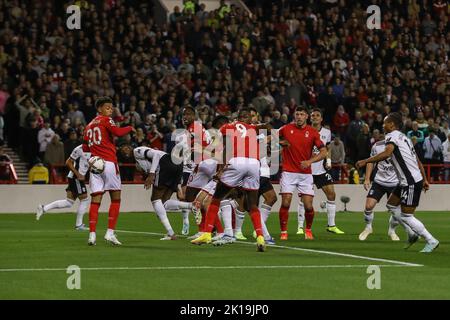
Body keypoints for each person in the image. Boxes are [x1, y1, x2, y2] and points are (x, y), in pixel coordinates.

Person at [356, 112, 439, 253]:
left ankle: (431, 240)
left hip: (410, 181)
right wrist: (425, 178)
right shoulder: (404, 137)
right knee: (391, 205)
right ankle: (412, 234)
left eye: (385, 123)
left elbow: (387, 153)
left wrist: (366, 161)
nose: (383, 125)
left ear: (392, 124)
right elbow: (417, 160)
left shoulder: (392, 136)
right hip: (406, 181)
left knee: (407, 215)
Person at [190, 108, 268, 252]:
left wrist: (220, 170)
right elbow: (267, 131)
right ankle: (260, 237)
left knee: (216, 198)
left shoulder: (227, 127)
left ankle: (207, 233)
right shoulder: (252, 129)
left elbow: (225, 148)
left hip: (237, 162)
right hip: (254, 164)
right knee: (252, 204)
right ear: (248, 119)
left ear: (237, 118)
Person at [82, 96, 135, 246]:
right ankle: (110, 233)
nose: (110, 110)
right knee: (116, 198)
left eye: (111, 108)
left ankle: (92, 235)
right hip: (109, 163)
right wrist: (130, 127)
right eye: (107, 107)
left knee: (95, 200)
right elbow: (118, 132)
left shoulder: (88, 126)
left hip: (95, 165)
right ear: (99, 109)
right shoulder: (106, 120)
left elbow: (85, 148)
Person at [277, 106, 328, 240]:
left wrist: (310, 161)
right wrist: (280, 142)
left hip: (305, 174)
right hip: (288, 172)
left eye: (302, 114)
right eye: (297, 114)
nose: (299, 117)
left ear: (306, 117)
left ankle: (308, 230)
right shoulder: (286, 128)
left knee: (308, 205)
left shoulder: (312, 132)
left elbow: (324, 152)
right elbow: (273, 137)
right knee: (286, 202)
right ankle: (283, 232)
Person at [297, 109, 345, 235]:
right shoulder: (304, 130)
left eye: (317, 115)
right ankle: (300, 227)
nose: (315, 117)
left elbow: (327, 149)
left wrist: (328, 160)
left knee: (331, 194)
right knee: (304, 199)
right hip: (307, 171)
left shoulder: (327, 132)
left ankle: (331, 225)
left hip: (321, 170)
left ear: (321, 119)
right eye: (313, 115)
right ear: (309, 118)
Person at [133, 146, 192, 240]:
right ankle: (191, 206)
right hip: (178, 167)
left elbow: (156, 154)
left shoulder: (137, 151)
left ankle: (171, 233)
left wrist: (151, 174)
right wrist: (178, 187)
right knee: (163, 203)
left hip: (166, 164)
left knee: (155, 199)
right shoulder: (149, 163)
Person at [36, 144, 91, 230]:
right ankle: (79, 225)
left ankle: (44, 208)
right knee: (84, 200)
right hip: (76, 177)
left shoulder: (95, 148)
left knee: (69, 202)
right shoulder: (79, 149)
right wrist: (78, 174)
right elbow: (68, 162)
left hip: (75, 177)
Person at [358, 140, 401, 241]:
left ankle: (392, 231)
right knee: (369, 206)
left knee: (396, 211)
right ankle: (368, 228)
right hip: (379, 182)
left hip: (395, 183)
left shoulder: (399, 146)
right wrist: (367, 178)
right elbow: (370, 161)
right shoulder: (377, 146)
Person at [178, 106, 211, 234]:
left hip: (199, 166)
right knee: (194, 199)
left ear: (194, 116)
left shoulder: (195, 128)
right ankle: (206, 228)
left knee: (192, 198)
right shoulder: (191, 129)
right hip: (195, 165)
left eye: (188, 114)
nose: (185, 117)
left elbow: (200, 148)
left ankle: (204, 229)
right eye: (184, 115)